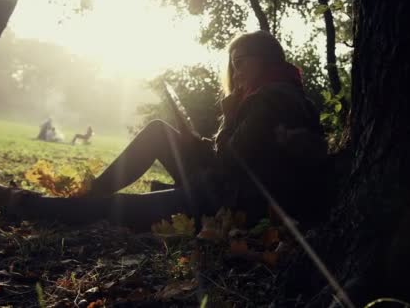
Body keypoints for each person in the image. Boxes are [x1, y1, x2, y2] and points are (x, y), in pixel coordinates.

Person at [88, 31, 330, 226]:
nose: (236, 73)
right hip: (231, 191)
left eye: (240, 63)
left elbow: (230, 160)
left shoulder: (268, 98)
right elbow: (247, 153)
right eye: (233, 65)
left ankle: (70, 202)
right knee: (159, 132)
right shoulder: (286, 92)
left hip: (233, 203)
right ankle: (93, 191)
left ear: (264, 59)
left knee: (117, 206)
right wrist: (199, 143)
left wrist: (229, 116)